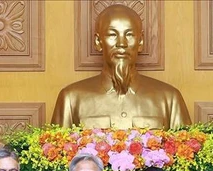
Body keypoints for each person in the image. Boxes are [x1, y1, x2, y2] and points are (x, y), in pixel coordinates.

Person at [51, 4, 191, 130]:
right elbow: (58, 154)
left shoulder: (170, 98)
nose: (122, 43)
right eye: (112, 34)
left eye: (129, 34)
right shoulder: (71, 98)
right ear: (98, 41)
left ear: (140, 41)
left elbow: (186, 152)